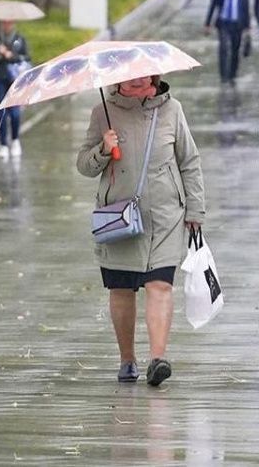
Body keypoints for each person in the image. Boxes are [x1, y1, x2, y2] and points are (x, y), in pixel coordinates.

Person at [76, 74, 205, 387]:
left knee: (160, 284)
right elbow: (84, 165)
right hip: (119, 216)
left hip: (165, 216)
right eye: (128, 82)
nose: (135, 85)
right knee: (121, 289)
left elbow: (188, 161)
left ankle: (158, 360)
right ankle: (127, 359)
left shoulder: (172, 110)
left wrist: (195, 208)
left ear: (154, 77)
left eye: (141, 80)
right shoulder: (102, 112)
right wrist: (104, 149)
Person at [0, 20, 31, 159]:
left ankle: (15, 139)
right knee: (2, 111)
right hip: (0, 78)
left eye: (10, 23)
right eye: (4, 23)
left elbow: (27, 57)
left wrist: (12, 56)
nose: (7, 25)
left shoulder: (19, 39)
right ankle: (3, 144)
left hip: (15, 80)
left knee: (15, 113)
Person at [204, 0, 251, 84]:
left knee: (236, 49)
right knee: (224, 48)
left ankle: (232, 73)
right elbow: (212, 7)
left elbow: (246, 8)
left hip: (237, 23)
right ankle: (223, 75)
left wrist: (248, 25)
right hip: (223, 23)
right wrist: (207, 23)